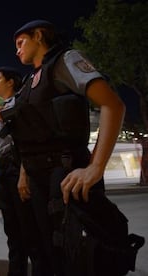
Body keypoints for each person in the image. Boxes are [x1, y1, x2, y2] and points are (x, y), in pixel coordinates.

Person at [9, 20, 126, 275]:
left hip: (65, 171)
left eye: (21, 43)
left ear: (39, 36)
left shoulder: (64, 61)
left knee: (78, 256)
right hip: (38, 178)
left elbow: (113, 105)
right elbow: (30, 134)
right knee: (48, 253)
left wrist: (95, 167)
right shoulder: (29, 81)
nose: (17, 51)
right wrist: (24, 174)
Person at [0, 66, 46, 276]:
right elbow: (1, 146)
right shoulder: (2, 109)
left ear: (10, 82)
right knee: (12, 233)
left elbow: (27, 143)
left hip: (18, 170)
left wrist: (23, 175)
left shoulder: (21, 104)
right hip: (5, 172)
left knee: (29, 232)